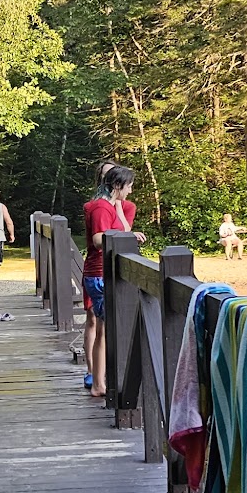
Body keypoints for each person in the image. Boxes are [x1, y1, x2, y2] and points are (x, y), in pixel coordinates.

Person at [82, 164, 145, 398]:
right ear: (118, 185)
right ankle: (101, 384)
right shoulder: (101, 207)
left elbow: (117, 230)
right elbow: (98, 239)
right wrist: (121, 235)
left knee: (104, 329)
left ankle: (100, 383)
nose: (130, 191)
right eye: (129, 186)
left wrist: (126, 232)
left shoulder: (109, 206)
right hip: (99, 274)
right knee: (106, 330)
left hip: (103, 273)